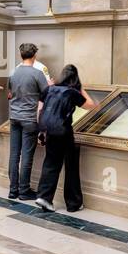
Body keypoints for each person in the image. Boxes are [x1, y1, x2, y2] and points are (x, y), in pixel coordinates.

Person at [33, 65, 97, 213]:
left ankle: (44, 197)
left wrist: (41, 131)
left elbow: (40, 109)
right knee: (71, 165)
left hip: (49, 131)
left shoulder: (49, 89)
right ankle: (73, 203)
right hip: (64, 132)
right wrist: (80, 88)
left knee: (50, 163)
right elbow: (91, 105)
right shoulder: (72, 92)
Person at [6, 43, 49, 201]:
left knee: (14, 154)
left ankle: (13, 189)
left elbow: (9, 93)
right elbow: (46, 94)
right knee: (26, 156)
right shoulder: (38, 74)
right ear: (34, 55)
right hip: (29, 118)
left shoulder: (13, 72)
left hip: (14, 117)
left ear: (21, 55)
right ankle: (24, 191)